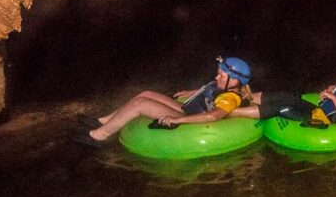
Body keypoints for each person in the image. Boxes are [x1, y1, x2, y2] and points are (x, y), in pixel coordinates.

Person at [71, 56, 254, 146]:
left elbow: (215, 116)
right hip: (187, 109)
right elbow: (208, 90)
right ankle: (103, 121)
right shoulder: (222, 85)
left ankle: (100, 135)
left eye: (222, 74)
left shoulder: (230, 97)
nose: (217, 76)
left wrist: (178, 120)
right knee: (146, 93)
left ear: (235, 80)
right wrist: (189, 92)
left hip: (192, 119)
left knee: (140, 104)